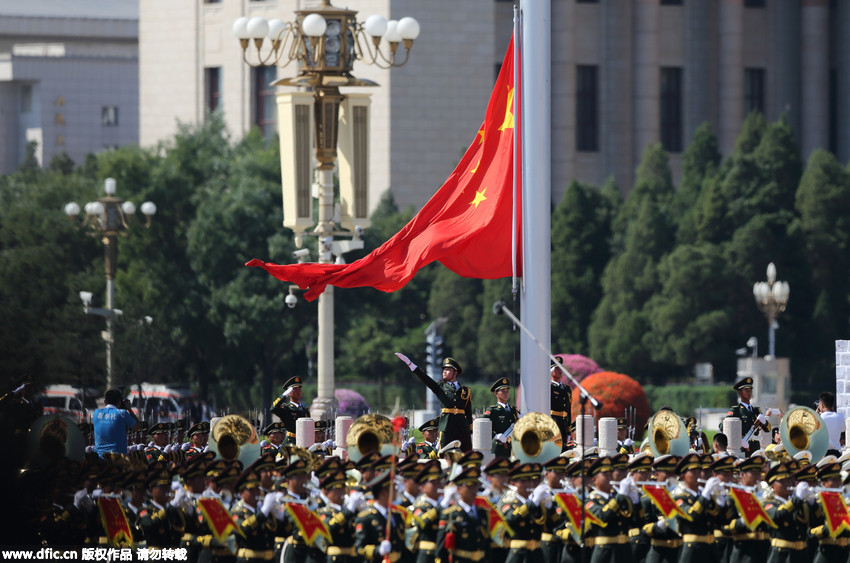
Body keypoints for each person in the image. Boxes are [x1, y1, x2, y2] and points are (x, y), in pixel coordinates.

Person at [396, 353, 473, 451]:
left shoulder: (466, 391)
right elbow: (425, 379)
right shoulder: (440, 386)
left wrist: (471, 432)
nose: (444, 372)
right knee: (443, 453)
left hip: (462, 428)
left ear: (455, 372)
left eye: (447, 369)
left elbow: (468, 413)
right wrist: (410, 364)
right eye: (443, 369)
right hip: (447, 427)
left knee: (467, 453)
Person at [723, 377, 770, 455]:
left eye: (750, 390)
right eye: (746, 390)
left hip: (756, 448)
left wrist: (764, 422)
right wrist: (739, 440)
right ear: (739, 392)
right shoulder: (736, 410)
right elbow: (724, 427)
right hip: (742, 448)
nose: (749, 392)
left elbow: (768, 429)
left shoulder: (756, 410)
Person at [92, 388, 140, 457]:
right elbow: (138, 427)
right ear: (119, 402)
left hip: (99, 457)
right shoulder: (122, 413)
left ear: (105, 401)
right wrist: (129, 409)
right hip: (118, 458)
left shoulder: (96, 413)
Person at [484, 377, 520, 459]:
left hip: (511, 447)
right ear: (496, 393)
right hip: (498, 447)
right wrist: (495, 436)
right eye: (503, 391)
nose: (506, 393)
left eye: (507, 391)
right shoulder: (493, 410)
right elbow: (482, 427)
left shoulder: (513, 410)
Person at [270, 376, 310, 446]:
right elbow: (273, 409)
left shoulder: (305, 410)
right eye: (295, 390)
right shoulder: (286, 408)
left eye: (299, 389)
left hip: (303, 442)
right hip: (291, 442)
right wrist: (284, 396)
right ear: (289, 392)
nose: (298, 392)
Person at [550, 358, 572, 450]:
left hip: (564, 425)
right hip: (553, 423)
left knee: (564, 451)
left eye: (561, 368)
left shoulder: (567, 389)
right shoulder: (548, 387)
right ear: (551, 370)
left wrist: (569, 429)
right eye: (557, 368)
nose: (560, 371)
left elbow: (569, 410)